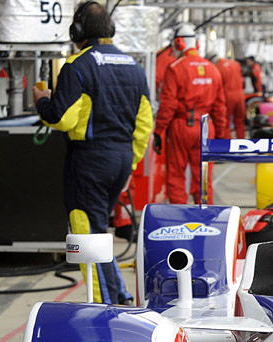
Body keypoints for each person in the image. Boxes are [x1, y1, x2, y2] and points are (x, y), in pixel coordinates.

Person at [33, 1, 151, 305]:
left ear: (78, 31)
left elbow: (62, 118)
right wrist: (130, 164)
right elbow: (144, 123)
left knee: (87, 238)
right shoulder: (134, 67)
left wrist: (42, 101)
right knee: (99, 231)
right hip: (121, 160)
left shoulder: (78, 65)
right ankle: (119, 295)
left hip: (88, 163)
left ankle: (101, 307)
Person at [153, 24, 229, 205]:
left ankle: (179, 219)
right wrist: (221, 136)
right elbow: (220, 108)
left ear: (178, 44)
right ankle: (206, 219)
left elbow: (168, 105)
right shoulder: (212, 69)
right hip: (205, 126)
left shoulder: (174, 68)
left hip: (181, 127)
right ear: (196, 43)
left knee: (177, 176)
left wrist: (159, 131)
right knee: (203, 178)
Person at [215, 54, 246, 139]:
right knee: (240, 121)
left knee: (226, 122)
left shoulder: (218, 67)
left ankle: (228, 147)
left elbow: (217, 84)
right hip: (240, 95)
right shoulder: (235, 64)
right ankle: (242, 145)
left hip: (228, 96)